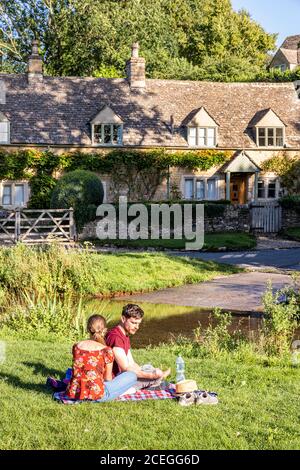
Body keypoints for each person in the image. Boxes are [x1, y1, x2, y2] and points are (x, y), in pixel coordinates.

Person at [65, 314, 137, 402]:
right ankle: (119, 392)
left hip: (75, 393)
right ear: (105, 330)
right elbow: (108, 379)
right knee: (132, 375)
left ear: (88, 329)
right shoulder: (106, 351)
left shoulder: (77, 346)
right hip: (97, 395)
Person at [106, 304, 170, 390]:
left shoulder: (124, 335)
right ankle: (155, 382)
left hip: (123, 375)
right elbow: (126, 369)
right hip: (115, 380)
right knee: (152, 377)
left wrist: (144, 371)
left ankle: (155, 379)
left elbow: (131, 363)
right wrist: (151, 375)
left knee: (147, 367)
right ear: (123, 319)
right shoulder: (116, 337)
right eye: (133, 323)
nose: (136, 327)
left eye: (138, 324)